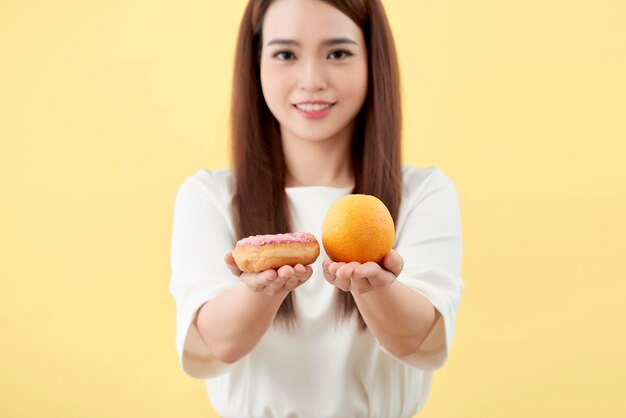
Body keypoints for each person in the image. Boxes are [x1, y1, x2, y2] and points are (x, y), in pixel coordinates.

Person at [168, 0, 464, 416]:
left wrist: (376, 289)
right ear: (255, 63)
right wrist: (258, 292)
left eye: (338, 53)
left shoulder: (422, 192)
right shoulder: (210, 196)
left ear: (371, 59)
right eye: (285, 54)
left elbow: (417, 341)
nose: (311, 80)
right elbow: (217, 345)